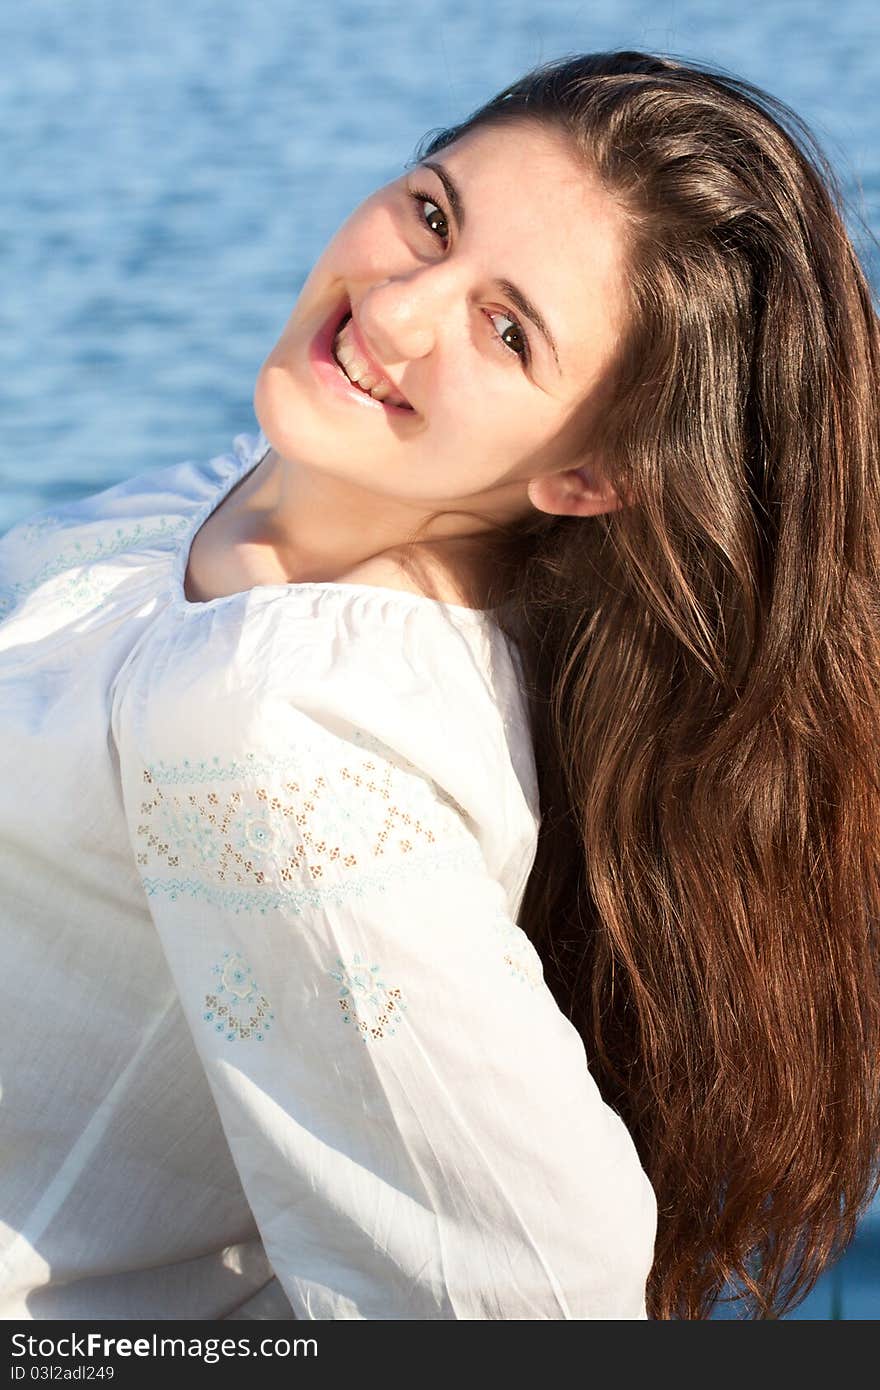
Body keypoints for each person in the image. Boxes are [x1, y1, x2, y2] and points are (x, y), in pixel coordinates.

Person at [1, 49, 878, 1323]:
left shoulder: (288, 732)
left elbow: (535, 1290)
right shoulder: (285, 481)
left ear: (588, 477)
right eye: (431, 213)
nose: (397, 310)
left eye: (507, 329)